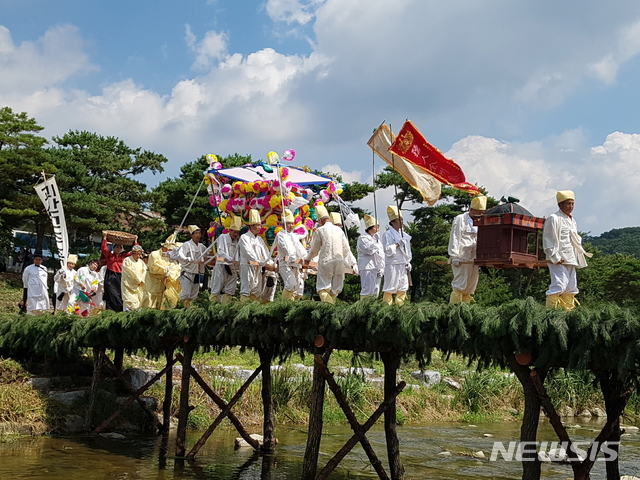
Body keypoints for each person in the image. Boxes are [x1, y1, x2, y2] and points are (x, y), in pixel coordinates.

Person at [543, 190, 592, 311]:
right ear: (560, 205)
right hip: (558, 258)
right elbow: (549, 238)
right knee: (559, 284)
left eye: (572, 204)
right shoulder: (554, 218)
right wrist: (555, 257)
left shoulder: (572, 220)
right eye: (568, 204)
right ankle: (551, 312)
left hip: (571, 258)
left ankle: (568, 313)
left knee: (571, 287)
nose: (570, 206)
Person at [305, 205, 353, 304]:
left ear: (320, 220)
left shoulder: (320, 230)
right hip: (339, 262)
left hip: (326, 262)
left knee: (322, 288)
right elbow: (346, 249)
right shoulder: (339, 230)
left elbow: (314, 250)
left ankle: (329, 310)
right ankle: (334, 312)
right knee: (334, 290)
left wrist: (308, 259)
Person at [448, 195, 487, 304]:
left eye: (482, 212)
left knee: (470, 286)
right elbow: (455, 236)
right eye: (478, 212)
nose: (480, 214)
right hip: (462, 256)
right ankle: (454, 309)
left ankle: (466, 310)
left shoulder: (481, 221)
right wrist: (454, 255)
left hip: (474, 257)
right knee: (460, 284)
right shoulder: (461, 219)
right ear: (471, 210)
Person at [239, 210, 276, 302]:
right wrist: (260, 262)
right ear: (251, 226)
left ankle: (252, 310)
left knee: (256, 290)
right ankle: (243, 310)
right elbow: (248, 253)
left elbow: (266, 254)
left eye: (260, 225)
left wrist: (271, 264)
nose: (259, 227)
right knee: (246, 289)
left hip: (259, 268)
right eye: (257, 225)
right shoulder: (244, 237)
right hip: (248, 266)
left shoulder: (259, 239)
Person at [381, 206, 412, 306]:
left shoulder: (405, 235)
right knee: (390, 286)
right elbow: (387, 250)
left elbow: (408, 250)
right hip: (392, 263)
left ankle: (400, 305)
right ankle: (387, 306)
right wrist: (398, 244)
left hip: (403, 263)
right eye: (399, 220)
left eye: (402, 220)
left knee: (403, 286)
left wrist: (408, 261)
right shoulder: (387, 234)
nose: (402, 222)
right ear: (393, 222)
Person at [275, 209, 307, 301]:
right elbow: (287, 248)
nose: (291, 225)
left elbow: (300, 248)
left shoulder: (294, 236)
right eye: (289, 223)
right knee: (290, 284)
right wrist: (293, 257)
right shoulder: (280, 235)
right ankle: (283, 307)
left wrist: (307, 258)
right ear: (284, 224)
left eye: (292, 223)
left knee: (297, 287)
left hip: (295, 264)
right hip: (285, 264)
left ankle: (291, 307)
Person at [210, 216, 241, 304]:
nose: (236, 234)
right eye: (234, 232)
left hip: (232, 268)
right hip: (222, 266)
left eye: (237, 233)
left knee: (230, 289)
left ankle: (225, 307)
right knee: (216, 288)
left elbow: (237, 255)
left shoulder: (237, 241)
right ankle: (212, 307)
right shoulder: (222, 237)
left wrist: (236, 262)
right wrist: (230, 259)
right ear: (230, 230)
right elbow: (220, 251)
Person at [143, 235, 177, 309]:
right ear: (165, 248)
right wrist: (165, 270)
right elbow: (154, 267)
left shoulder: (168, 257)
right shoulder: (154, 254)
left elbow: (173, 267)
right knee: (149, 300)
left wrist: (170, 273)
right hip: (152, 281)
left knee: (159, 302)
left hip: (162, 283)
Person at [101, 233, 133, 312]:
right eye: (117, 247)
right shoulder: (110, 255)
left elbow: (134, 252)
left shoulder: (124, 256)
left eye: (120, 247)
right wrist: (105, 237)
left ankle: (119, 311)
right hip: (110, 276)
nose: (118, 249)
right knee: (111, 294)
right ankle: (110, 311)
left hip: (120, 276)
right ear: (113, 248)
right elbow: (104, 249)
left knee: (120, 294)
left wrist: (135, 241)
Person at [177, 225, 208, 307]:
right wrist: (188, 258)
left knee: (193, 295)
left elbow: (207, 255)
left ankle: (188, 309)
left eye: (199, 233)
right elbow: (180, 255)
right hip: (187, 272)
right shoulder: (186, 245)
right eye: (196, 233)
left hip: (197, 273)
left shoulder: (202, 246)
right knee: (186, 294)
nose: (198, 235)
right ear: (191, 235)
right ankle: (177, 306)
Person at [357, 215, 384, 300]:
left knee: (376, 291)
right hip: (367, 267)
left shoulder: (378, 240)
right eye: (377, 227)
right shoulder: (363, 238)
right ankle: (364, 307)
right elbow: (368, 250)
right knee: (367, 290)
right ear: (370, 228)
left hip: (377, 267)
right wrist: (374, 242)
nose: (378, 229)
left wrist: (382, 267)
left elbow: (381, 254)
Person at [21, 251, 49, 315]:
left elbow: (45, 280)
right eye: (36, 259)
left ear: (42, 260)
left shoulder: (44, 269)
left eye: (39, 259)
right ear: (33, 260)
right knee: (32, 307)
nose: (38, 261)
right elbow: (25, 279)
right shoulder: (28, 269)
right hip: (32, 291)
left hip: (42, 291)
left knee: (41, 308)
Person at [122, 244, 147, 311]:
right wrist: (138, 279)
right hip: (129, 286)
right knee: (129, 302)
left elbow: (144, 272)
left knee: (139, 303)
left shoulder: (141, 262)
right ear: (132, 253)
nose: (138, 256)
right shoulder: (127, 260)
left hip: (139, 286)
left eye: (140, 254)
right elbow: (129, 272)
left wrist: (141, 280)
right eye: (137, 254)